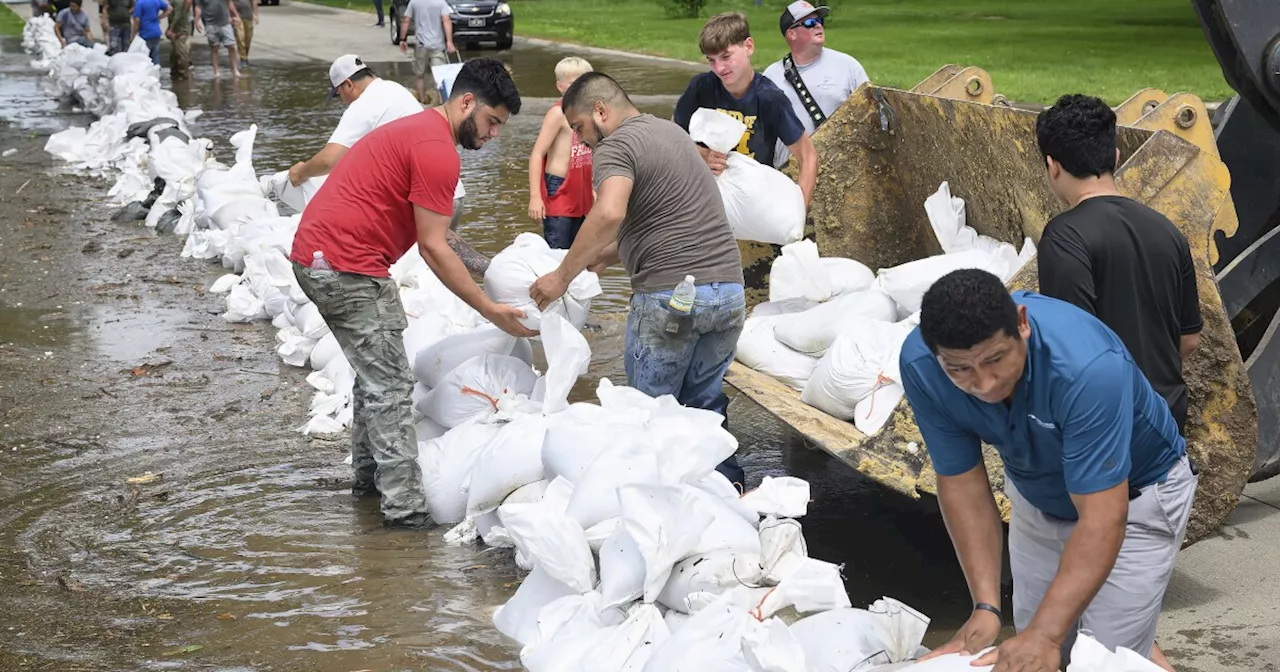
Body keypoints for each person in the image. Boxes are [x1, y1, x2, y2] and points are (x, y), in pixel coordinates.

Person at [901, 269, 1198, 670]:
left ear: (1021, 323)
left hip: (1134, 498)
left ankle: (1130, 637)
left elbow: (1103, 517)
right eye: (960, 369)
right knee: (1034, 651)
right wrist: (986, 606)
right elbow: (961, 481)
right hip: (1037, 496)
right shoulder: (921, 365)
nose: (985, 384)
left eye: (995, 359)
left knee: (1104, 660)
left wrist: (1046, 634)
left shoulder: (1086, 367)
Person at [289, 59, 529, 527]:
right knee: (391, 385)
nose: (494, 134)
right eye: (492, 122)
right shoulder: (438, 150)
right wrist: (489, 309)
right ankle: (405, 514)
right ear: (466, 103)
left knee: (377, 372)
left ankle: (367, 485)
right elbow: (434, 247)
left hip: (333, 258)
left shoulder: (422, 130)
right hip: (342, 265)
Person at [528, 72, 749, 489]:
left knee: (649, 412)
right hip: (728, 294)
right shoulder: (671, 133)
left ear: (601, 111)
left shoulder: (615, 146)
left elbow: (610, 212)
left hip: (672, 299)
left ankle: (656, 508)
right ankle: (728, 494)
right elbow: (669, 217)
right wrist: (605, 257)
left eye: (579, 128)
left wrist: (562, 275)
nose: (580, 139)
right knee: (705, 405)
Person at [1035, 94, 1203, 434]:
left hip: (1106, 432)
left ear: (1053, 166)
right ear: (1115, 156)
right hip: (1167, 425)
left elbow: (1072, 351)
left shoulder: (1064, 237)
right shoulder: (1167, 230)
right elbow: (1189, 340)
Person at [673, 11, 818, 206]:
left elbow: (808, 156)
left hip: (751, 203)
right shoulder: (701, 88)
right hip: (703, 199)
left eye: (726, 57)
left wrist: (799, 211)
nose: (719, 68)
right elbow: (672, 137)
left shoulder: (770, 97)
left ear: (749, 46)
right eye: (711, 60)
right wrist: (703, 154)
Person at [762, 1, 869, 163]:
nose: (818, 26)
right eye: (810, 23)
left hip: (843, 171)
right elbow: (761, 131)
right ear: (791, 34)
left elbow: (871, 114)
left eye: (820, 21)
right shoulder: (772, 76)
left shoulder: (848, 66)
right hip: (792, 175)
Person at [526, 57, 595, 249]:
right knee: (558, 251)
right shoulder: (557, 114)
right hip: (559, 189)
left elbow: (592, 152)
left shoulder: (589, 113)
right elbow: (537, 154)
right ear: (561, 86)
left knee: (579, 251)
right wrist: (535, 197)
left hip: (581, 189)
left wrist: (593, 188)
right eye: (574, 84)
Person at [399, 0, 455, 105]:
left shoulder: (414, 2)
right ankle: (441, 103)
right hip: (438, 45)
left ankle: (422, 100)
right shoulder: (441, 2)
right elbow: (446, 21)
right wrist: (449, 41)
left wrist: (403, 39)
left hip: (421, 45)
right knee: (439, 77)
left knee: (420, 74)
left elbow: (406, 20)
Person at [194, 0, 241, 79]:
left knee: (231, 46)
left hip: (225, 23)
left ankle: (235, 69)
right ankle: (216, 72)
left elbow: (229, 3)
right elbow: (198, 7)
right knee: (214, 47)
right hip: (210, 24)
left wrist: (236, 15)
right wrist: (196, 21)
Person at [131, 0, 170, 65]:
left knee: (145, 56)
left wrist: (133, 34)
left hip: (145, 33)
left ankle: (147, 73)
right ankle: (156, 72)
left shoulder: (140, 3)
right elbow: (169, 9)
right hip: (156, 32)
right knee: (155, 55)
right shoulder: (156, 1)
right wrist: (158, 18)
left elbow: (137, 20)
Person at [166, 0, 193, 80]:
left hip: (180, 29)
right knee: (174, 52)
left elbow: (177, 15)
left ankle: (183, 73)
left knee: (180, 52)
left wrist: (171, 29)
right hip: (178, 28)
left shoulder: (178, 1)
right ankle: (174, 71)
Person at [232, 0, 257, 68]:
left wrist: (255, 13)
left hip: (248, 15)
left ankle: (245, 56)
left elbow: (254, 1)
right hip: (237, 16)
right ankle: (243, 59)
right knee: (240, 37)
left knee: (248, 38)